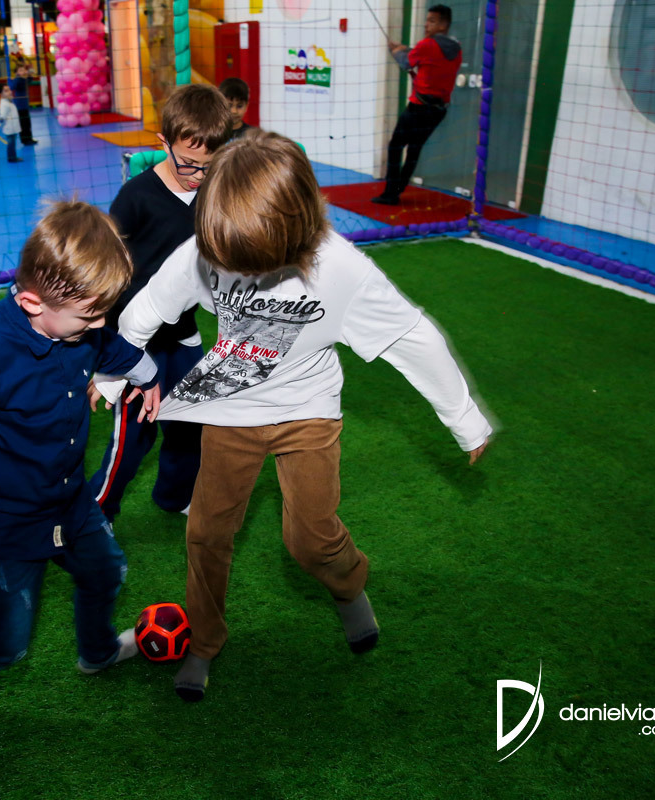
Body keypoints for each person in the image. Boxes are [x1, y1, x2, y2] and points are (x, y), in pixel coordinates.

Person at [114, 131, 493, 702]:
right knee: (207, 531)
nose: (228, 266)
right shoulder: (204, 246)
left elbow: (412, 338)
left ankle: (349, 589)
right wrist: (115, 371)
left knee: (311, 540)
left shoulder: (341, 268)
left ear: (292, 232)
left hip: (308, 410)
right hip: (230, 406)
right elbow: (148, 306)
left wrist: (464, 418)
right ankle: (204, 641)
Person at [0, 201, 164, 772]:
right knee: (7, 641)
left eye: (105, 313)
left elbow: (107, 345)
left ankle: (97, 653)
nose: (99, 326)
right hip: (6, 520)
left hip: (69, 500)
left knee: (106, 573)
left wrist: (145, 372)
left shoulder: (80, 327)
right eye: (88, 317)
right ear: (31, 303)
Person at [87, 84, 232, 524]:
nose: (197, 175)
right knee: (133, 437)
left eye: (209, 166)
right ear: (163, 143)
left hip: (183, 334)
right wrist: (105, 348)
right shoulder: (136, 198)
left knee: (191, 423)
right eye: (188, 163)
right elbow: (104, 265)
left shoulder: (214, 194)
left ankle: (175, 495)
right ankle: (97, 514)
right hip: (134, 339)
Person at [373, 4, 462, 205]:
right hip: (438, 111)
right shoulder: (456, 49)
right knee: (414, 149)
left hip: (418, 108)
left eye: (432, 21)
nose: (426, 24)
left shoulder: (427, 45)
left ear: (443, 25)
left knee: (396, 146)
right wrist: (404, 48)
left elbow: (406, 62)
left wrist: (396, 51)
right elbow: (428, 57)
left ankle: (390, 194)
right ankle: (398, 189)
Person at [9, 64, 38, 146]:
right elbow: (13, 87)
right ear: (17, 73)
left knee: (27, 123)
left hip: (24, 105)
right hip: (20, 106)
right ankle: (25, 140)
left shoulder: (23, 79)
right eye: (20, 70)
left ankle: (29, 138)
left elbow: (29, 80)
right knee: (23, 124)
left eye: (23, 70)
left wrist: (30, 73)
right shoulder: (18, 80)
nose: (23, 71)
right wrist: (17, 77)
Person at [218, 77, 251, 141]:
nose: (234, 111)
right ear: (220, 105)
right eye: (229, 106)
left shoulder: (252, 135)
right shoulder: (212, 133)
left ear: (246, 106)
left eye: (239, 106)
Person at [0, 84, 23, 163]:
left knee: (12, 143)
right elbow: (2, 115)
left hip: (13, 127)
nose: (10, 92)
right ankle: (11, 158)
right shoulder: (4, 104)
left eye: (9, 90)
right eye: (6, 91)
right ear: (1, 94)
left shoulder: (8, 101)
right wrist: (0, 123)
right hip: (10, 128)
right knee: (11, 144)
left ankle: (13, 156)